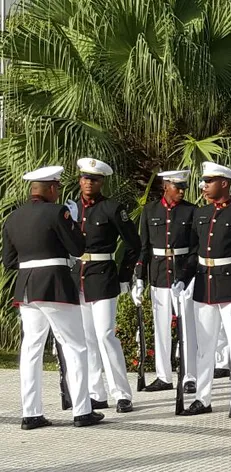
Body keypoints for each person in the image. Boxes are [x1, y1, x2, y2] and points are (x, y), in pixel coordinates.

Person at [3, 165, 104, 429]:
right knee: (74, 346)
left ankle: (31, 413)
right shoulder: (58, 212)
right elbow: (78, 247)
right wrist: (70, 220)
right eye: (57, 187)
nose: (58, 191)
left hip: (26, 287)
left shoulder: (13, 218)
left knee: (31, 349)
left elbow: (9, 261)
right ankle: (82, 411)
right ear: (50, 188)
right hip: (55, 284)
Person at [175, 162, 231, 418]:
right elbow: (195, 253)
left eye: (209, 181)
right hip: (205, 284)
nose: (203, 186)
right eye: (204, 181)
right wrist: (182, 278)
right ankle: (203, 398)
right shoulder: (200, 214)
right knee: (205, 346)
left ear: (224, 183)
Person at [73, 157, 141, 413]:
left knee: (105, 335)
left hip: (103, 275)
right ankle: (95, 393)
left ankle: (121, 393)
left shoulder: (112, 208)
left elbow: (133, 244)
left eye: (95, 179)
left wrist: (124, 276)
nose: (89, 182)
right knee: (87, 338)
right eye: (85, 178)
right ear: (79, 180)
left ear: (102, 182)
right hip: (77, 276)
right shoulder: (69, 208)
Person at [132, 170, 197, 394]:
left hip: (183, 275)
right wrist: (139, 277)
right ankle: (163, 375)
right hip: (159, 273)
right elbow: (144, 248)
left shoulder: (191, 211)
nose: (181, 191)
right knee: (161, 326)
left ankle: (189, 376)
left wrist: (186, 276)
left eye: (183, 188)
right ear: (165, 186)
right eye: (176, 186)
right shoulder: (150, 210)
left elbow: (195, 249)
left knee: (187, 327)